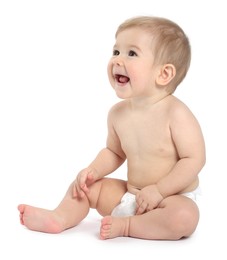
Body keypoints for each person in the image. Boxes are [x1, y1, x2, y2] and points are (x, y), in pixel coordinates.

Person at [18, 15, 206, 240]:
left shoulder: (176, 114)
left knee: (184, 217)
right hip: (132, 195)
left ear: (163, 74)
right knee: (85, 188)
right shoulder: (118, 113)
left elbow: (194, 160)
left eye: (132, 53)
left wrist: (159, 190)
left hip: (170, 198)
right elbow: (114, 152)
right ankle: (60, 217)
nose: (117, 60)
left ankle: (127, 227)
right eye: (116, 51)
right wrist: (93, 171)